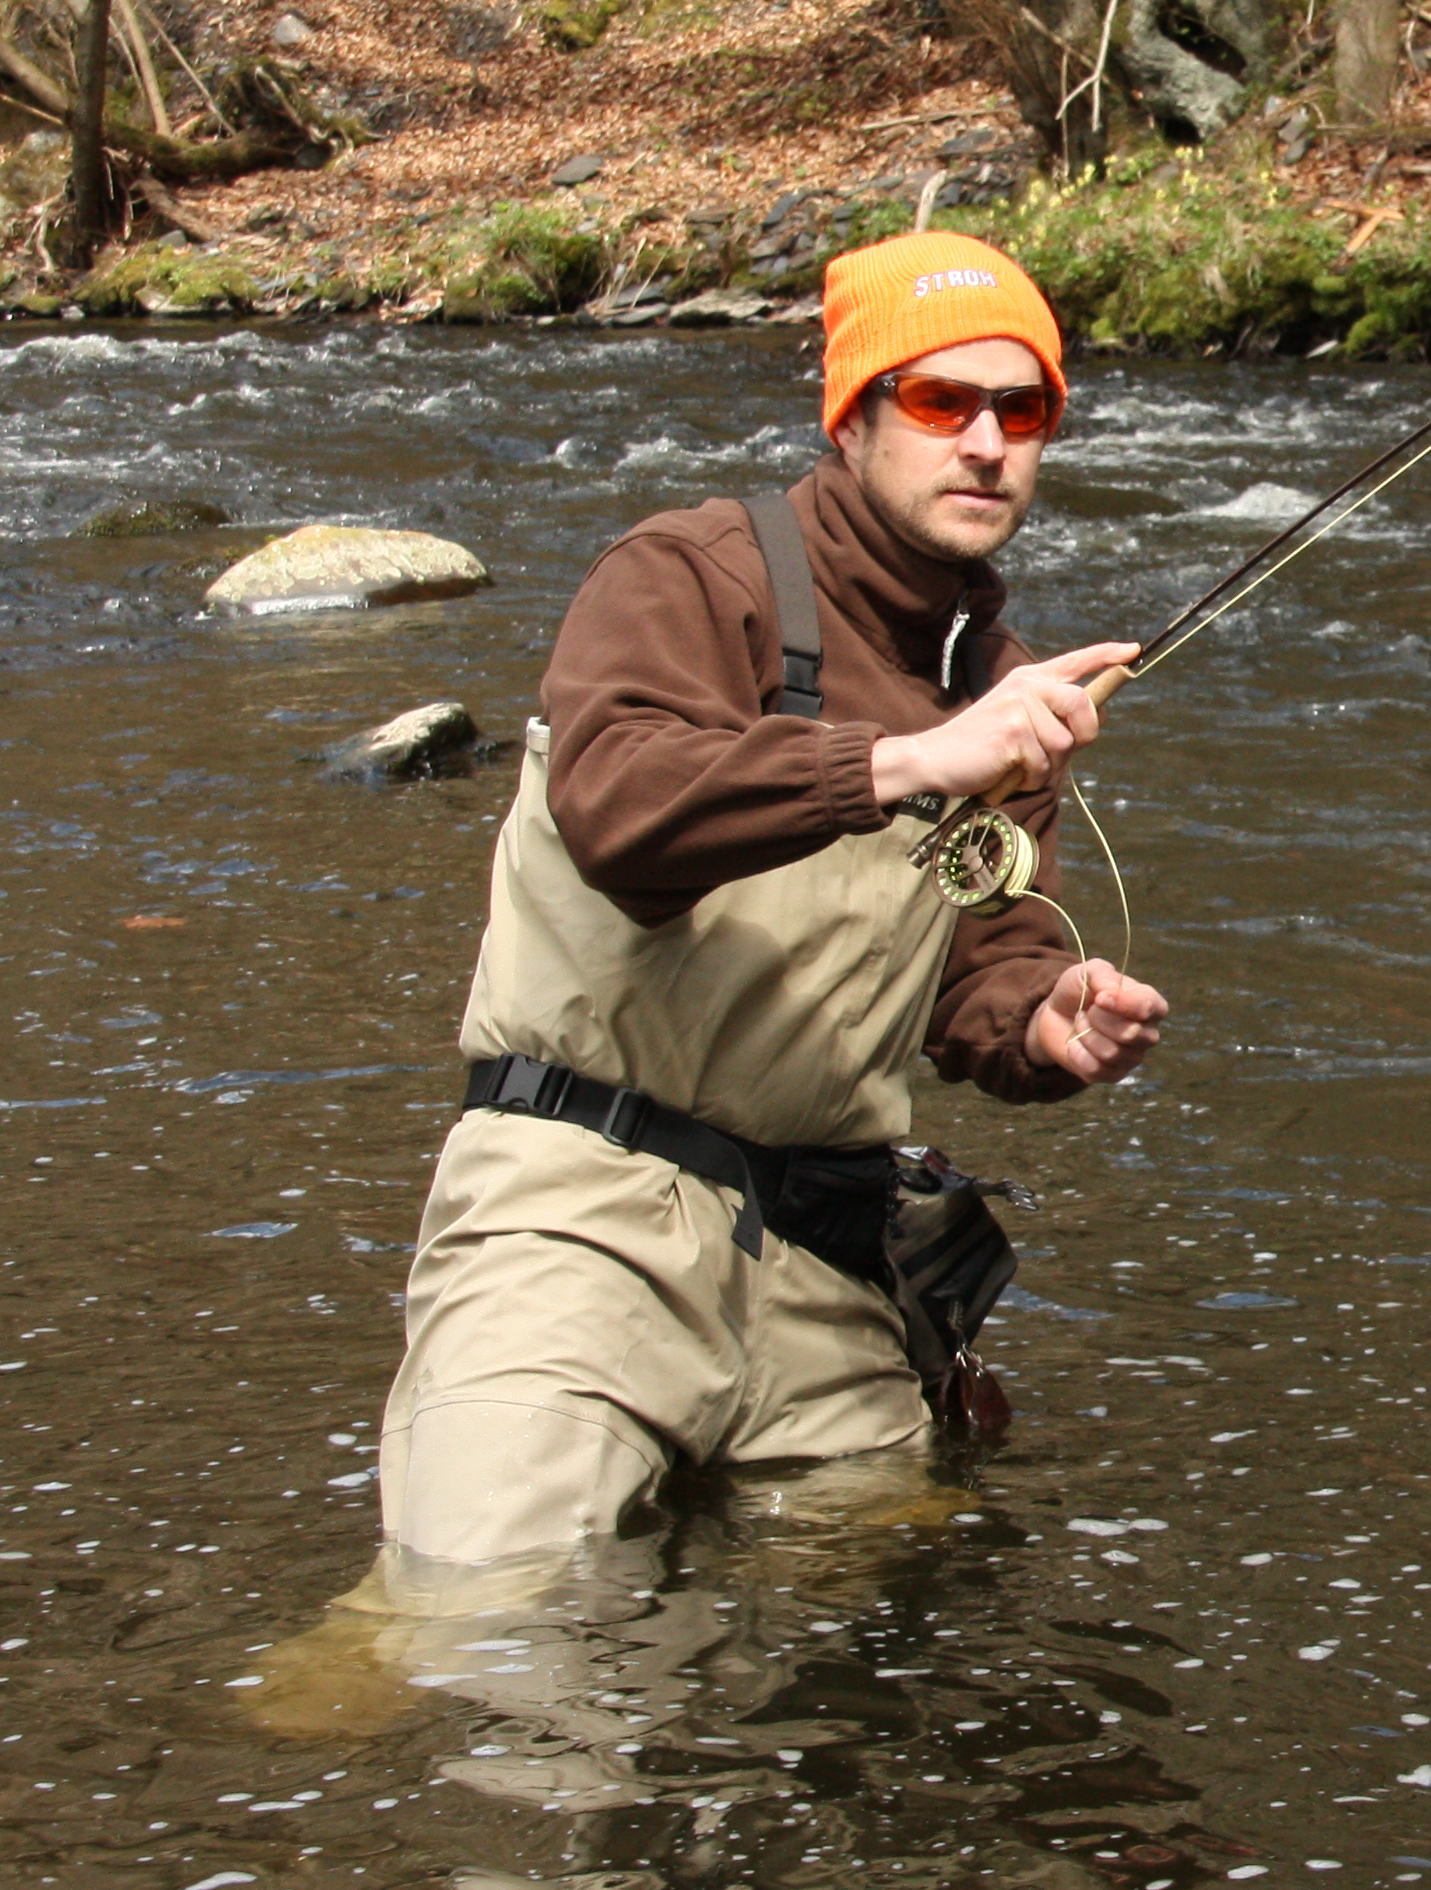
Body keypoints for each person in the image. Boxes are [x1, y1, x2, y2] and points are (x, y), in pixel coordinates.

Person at [371, 229, 1169, 1578]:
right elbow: (618, 806)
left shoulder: (1006, 688)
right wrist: (908, 761)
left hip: (823, 1260)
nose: (986, 443)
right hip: (577, 1213)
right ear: (852, 419)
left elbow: (981, 963)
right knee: (488, 1618)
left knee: (881, 1623)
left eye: (1021, 410)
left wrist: (1049, 1019)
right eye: (942, 403)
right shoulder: (694, 576)